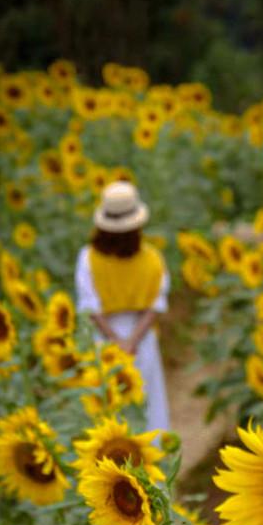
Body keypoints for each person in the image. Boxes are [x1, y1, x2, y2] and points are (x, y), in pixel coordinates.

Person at [75, 180, 170, 434]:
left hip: (104, 341)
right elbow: (155, 306)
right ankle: (154, 466)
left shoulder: (88, 258)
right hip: (142, 338)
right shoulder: (152, 258)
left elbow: (91, 307)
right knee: (148, 407)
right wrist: (132, 341)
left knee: (107, 409)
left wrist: (116, 341)